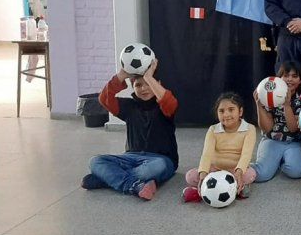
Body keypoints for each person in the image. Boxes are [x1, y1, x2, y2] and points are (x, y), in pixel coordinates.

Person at [81, 59, 178, 200]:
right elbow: (104, 99)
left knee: (156, 167)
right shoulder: (129, 106)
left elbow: (169, 100)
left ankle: (107, 179)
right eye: (138, 85)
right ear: (133, 87)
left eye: (148, 84)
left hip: (161, 159)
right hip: (130, 157)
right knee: (95, 161)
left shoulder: (165, 107)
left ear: (158, 85)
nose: (144, 89)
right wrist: (122, 74)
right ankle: (134, 184)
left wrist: (149, 77)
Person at [182, 92, 256, 202]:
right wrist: (203, 174)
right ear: (217, 114)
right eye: (221, 111)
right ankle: (234, 190)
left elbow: (246, 154)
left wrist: (239, 172)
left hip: (235, 170)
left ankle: (205, 192)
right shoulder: (213, 129)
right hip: (215, 169)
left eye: (231, 110)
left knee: (250, 175)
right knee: (191, 176)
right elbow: (206, 154)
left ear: (240, 112)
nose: (226, 114)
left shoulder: (249, 129)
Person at [248, 61, 301, 182]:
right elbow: (267, 128)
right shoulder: (269, 97)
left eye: (294, 76)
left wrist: (286, 105)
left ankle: (279, 161)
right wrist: (259, 105)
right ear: (279, 78)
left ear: (300, 80)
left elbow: (293, 128)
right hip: (272, 140)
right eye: (286, 75)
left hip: (294, 142)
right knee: (262, 175)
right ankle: (236, 170)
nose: (289, 79)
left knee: (297, 171)